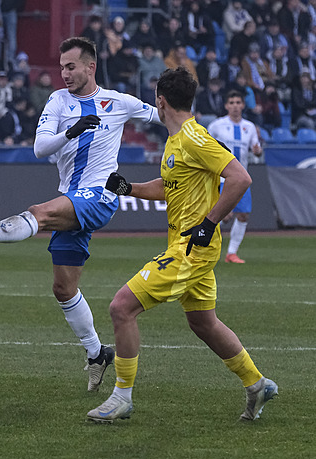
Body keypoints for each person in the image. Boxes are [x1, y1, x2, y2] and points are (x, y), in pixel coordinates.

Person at [0, 37, 160, 392]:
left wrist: (196, 139)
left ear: (90, 67)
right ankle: (97, 354)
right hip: (72, 196)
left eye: (71, 67)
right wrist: (72, 130)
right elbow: (40, 148)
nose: (65, 73)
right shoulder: (57, 101)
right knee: (63, 288)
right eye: (62, 67)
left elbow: (164, 117)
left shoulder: (119, 102)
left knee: (39, 212)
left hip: (101, 195)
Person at [86, 67, 277, 423]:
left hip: (192, 247)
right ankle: (256, 383)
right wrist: (129, 188)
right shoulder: (177, 142)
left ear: (160, 101)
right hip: (188, 244)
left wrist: (208, 223)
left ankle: (121, 396)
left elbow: (240, 178)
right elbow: (168, 185)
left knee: (121, 307)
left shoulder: (194, 138)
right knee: (203, 322)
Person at [207, 90, 263, 263]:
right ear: (226, 106)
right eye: (231, 103)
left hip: (242, 177)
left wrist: (257, 151)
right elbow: (205, 147)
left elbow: (257, 150)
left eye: (238, 102)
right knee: (225, 215)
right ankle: (203, 238)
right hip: (223, 177)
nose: (235, 106)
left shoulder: (250, 127)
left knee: (243, 215)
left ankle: (231, 253)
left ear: (243, 105)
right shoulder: (217, 125)